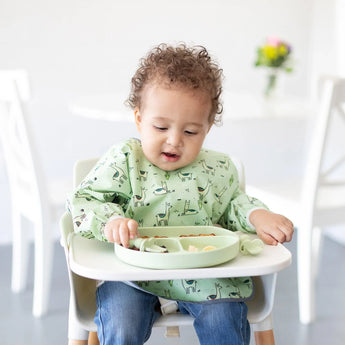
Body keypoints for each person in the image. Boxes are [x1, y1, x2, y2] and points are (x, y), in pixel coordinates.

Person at [67, 43, 294, 345]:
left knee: (223, 320)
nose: (174, 141)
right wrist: (112, 221)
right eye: (160, 127)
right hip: (133, 276)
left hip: (205, 276)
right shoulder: (124, 159)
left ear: (207, 127)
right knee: (121, 321)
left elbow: (234, 204)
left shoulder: (217, 168)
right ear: (138, 119)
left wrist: (257, 214)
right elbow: (86, 201)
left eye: (190, 132)